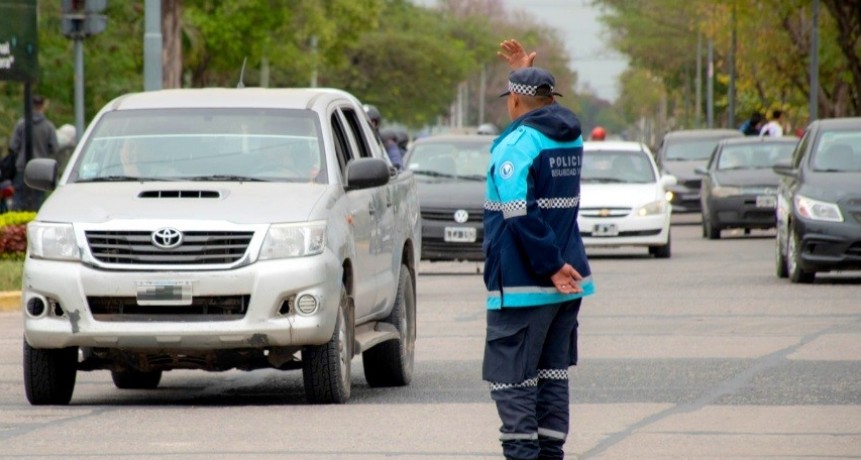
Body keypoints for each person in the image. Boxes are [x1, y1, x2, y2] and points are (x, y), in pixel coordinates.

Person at [483, 38, 595, 460]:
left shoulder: (517, 145)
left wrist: (548, 266)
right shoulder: (568, 137)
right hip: (568, 282)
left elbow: (519, 213)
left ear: (513, 100)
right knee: (550, 379)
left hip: (524, 282)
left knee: (512, 385)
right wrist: (525, 72)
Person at [8, 94, 59, 211]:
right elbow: (55, 148)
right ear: (42, 106)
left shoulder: (21, 124)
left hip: (23, 168)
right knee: (39, 203)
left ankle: (19, 226)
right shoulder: (48, 127)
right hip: (41, 171)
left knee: (19, 201)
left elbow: (13, 146)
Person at [364, 104, 403, 170]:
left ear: (377, 123)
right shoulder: (354, 140)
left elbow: (397, 163)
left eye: (372, 122)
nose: (369, 125)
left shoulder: (387, 142)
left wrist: (392, 168)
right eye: (365, 122)